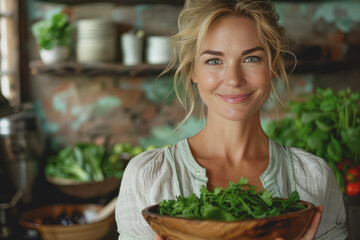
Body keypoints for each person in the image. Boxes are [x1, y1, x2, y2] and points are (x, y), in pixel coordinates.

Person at [116, 0, 348, 239]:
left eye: (251, 58)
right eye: (214, 61)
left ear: (273, 66)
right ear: (193, 71)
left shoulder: (313, 177)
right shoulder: (149, 176)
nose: (234, 79)